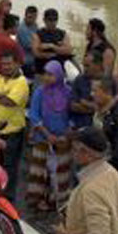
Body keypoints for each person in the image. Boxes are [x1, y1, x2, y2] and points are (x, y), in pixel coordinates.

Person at [26, 61, 73, 212]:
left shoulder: (68, 92)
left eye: (50, 74)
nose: (46, 77)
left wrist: (65, 134)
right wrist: (47, 135)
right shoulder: (40, 92)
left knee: (60, 171)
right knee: (40, 172)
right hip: (42, 138)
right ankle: (38, 200)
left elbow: (72, 116)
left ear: (59, 75)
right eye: (45, 74)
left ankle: (57, 200)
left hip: (62, 141)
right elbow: (34, 115)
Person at [0, 51, 29, 203]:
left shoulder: (21, 82)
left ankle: (7, 200)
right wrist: (2, 95)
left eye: (9, 64)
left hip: (12, 134)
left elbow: (10, 102)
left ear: (17, 64)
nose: (6, 67)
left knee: (10, 168)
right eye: (3, 64)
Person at [31, 7, 73, 75]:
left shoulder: (62, 33)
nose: (53, 22)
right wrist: (59, 50)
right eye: (50, 20)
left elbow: (68, 50)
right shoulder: (37, 34)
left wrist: (52, 46)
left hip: (58, 71)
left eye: (55, 19)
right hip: (42, 71)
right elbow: (36, 53)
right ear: (44, 20)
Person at [69, 49, 102, 129]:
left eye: (87, 66)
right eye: (83, 65)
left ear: (98, 65)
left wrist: (84, 104)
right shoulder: (79, 80)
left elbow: (107, 108)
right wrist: (93, 110)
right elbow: (73, 106)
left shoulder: (107, 81)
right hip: (80, 125)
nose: (84, 69)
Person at [16, 5, 40, 78]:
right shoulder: (22, 29)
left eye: (34, 17)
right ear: (25, 15)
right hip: (26, 60)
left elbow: (39, 38)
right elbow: (30, 46)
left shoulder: (35, 25)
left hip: (35, 56)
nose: (32, 20)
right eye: (30, 17)